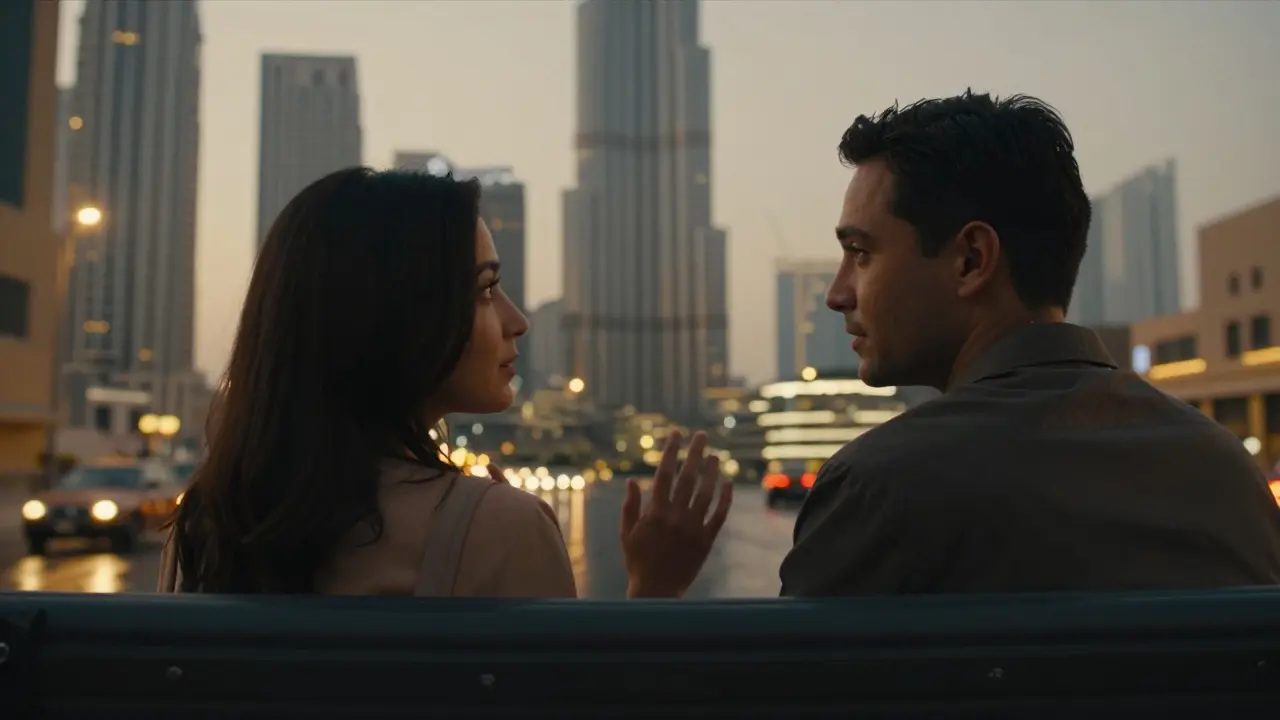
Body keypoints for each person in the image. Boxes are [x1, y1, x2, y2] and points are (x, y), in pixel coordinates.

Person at [779, 90, 1280, 596]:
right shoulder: (1227, 472)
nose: (837, 294)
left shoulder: (877, 488)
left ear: (971, 260)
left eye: (860, 252)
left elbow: (789, 675)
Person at [160, 167, 731, 597]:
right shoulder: (500, 527)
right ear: (401, 317)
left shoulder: (206, 523)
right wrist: (654, 591)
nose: (518, 320)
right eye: (485, 290)